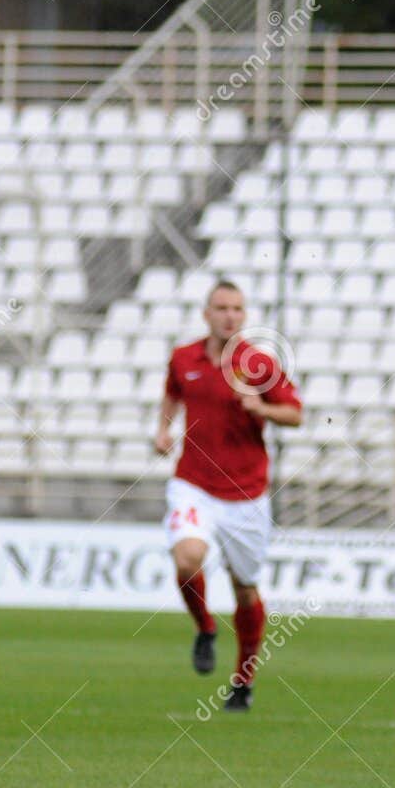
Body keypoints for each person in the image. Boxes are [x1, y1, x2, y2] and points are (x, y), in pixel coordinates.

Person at [154, 281, 303, 713]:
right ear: (206, 313)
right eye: (221, 307)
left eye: (237, 308)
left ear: (244, 315)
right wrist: (163, 429)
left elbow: (295, 414)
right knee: (186, 558)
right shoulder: (185, 358)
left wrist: (262, 408)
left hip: (245, 491)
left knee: (245, 589)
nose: (229, 315)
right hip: (193, 482)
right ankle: (205, 628)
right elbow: (172, 394)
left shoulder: (258, 364)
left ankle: (243, 681)